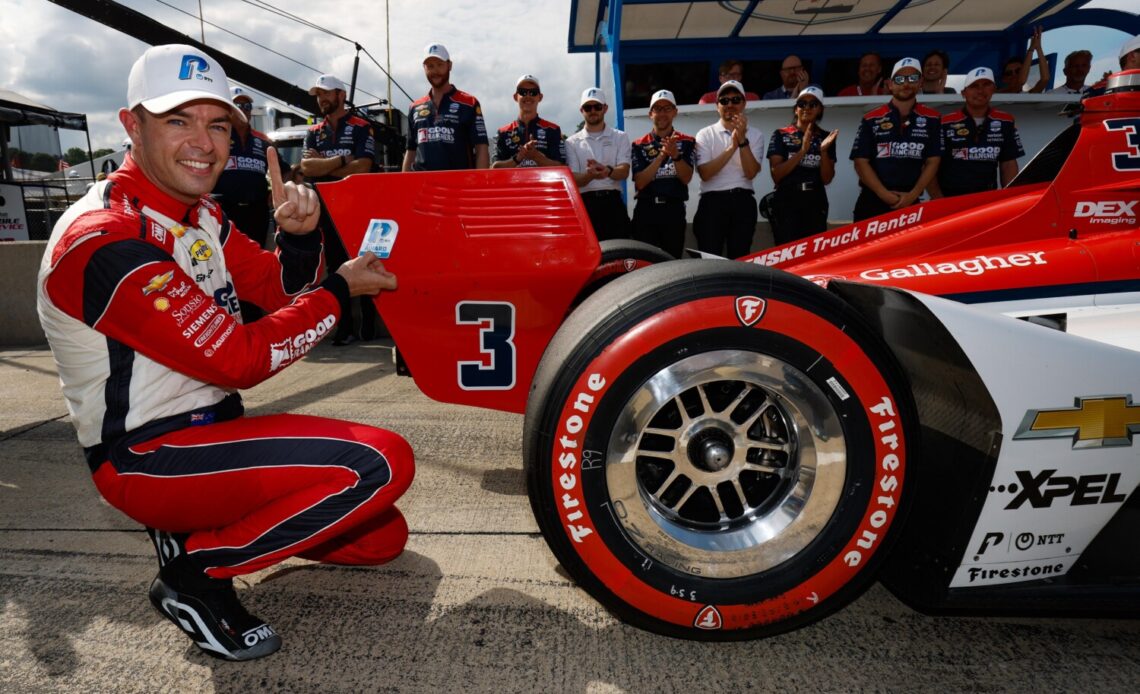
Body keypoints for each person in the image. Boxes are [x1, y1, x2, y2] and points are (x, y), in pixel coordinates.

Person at [36, 44, 413, 662]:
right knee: (377, 464)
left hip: (217, 436)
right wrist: (341, 291)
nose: (203, 143)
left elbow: (273, 288)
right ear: (132, 125)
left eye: (216, 124)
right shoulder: (101, 238)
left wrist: (299, 238)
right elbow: (239, 359)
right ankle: (195, 573)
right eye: (178, 120)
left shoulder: (201, 214)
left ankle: (195, 532)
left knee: (381, 539)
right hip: (147, 458)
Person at [300, 73, 378, 345]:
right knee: (336, 269)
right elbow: (307, 168)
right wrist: (344, 158)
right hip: (327, 210)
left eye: (326, 93)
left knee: (364, 261)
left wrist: (326, 164)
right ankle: (343, 328)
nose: (321, 99)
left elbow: (364, 167)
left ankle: (368, 326)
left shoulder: (361, 126)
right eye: (318, 95)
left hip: (358, 208)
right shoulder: (313, 132)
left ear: (341, 96)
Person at [212, 86, 279, 323]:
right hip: (224, 212)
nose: (244, 110)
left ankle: (251, 318)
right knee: (223, 266)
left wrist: (276, 195)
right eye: (238, 105)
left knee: (254, 265)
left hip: (256, 211)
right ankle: (228, 317)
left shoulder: (263, 141)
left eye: (247, 105)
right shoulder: (216, 136)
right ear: (229, 109)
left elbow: (285, 172)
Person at [849, 57, 942, 221]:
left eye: (912, 78)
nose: (906, 83)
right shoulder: (871, 118)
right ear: (890, 84)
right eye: (899, 79)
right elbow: (860, 162)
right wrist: (883, 194)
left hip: (911, 201)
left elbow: (933, 160)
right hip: (873, 201)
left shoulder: (932, 118)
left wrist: (912, 195)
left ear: (920, 82)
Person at [928, 67, 1025, 199]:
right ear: (963, 93)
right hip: (950, 199)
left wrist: (1011, 198)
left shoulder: (1006, 121)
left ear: (994, 89)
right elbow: (930, 165)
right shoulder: (945, 123)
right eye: (974, 86)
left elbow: (1008, 164)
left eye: (986, 85)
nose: (980, 91)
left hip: (986, 201)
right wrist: (938, 199)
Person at [694, 80, 764, 258]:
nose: (730, 105)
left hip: (743, 201)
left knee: (740, 259)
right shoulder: (705, 134)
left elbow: (750, 172)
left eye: (735, 100)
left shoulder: (756, 135)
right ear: (717, 106)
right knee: (709, 259)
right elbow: (705, 173)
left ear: (744, 103)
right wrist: (732, 147)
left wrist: (742, 140)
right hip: (712, 202)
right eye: (724, 101)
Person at [766, 86, 837, 244]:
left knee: (814, 253)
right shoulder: (781, 134)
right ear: (795, 109)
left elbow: (827, 179)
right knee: (786, 251)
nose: (806, 107)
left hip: (815, 199)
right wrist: (802, 151)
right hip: (787, 199)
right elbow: (776, 174)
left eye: (813, 104)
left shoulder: (827, 137)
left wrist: (824, 151)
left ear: (820, 110)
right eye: (802, 103)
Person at [402, 43, 489, 171]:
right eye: (430, 66)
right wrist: (405, 186)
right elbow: (410, 151)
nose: (435, 71)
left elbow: (481, 147)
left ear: (450, 65)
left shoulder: (469, 103)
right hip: (423, 186)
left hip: (459, 184)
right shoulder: (415, 107)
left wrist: (480, 183)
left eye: (440, 65)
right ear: (424, 68)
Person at [631, 89, 696, 259]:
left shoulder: (688, 141)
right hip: (646, 210)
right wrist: (661, 156)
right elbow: (640, 183)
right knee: (645, 264)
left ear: (675, 112)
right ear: (650, 114)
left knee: (672, 263)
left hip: (673, 210)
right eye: (657, 109)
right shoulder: (638, 144)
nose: (662, 114)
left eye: (667, 109)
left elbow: (686, 178)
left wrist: (675, 155)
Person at [564, 87, 631, 241]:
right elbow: (574, 179)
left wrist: (606, 170)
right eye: (588, 107)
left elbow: (624, 172)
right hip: (585, 205)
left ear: (605, 108)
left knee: (620, 254)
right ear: (582, 110)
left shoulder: (620, 137)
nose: (593, 111)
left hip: (613, 203)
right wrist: (590, 176)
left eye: (597, 106)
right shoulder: (571, 142)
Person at [492, 75, 566, 168]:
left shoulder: (553, 130)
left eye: (533, 92)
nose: (528, 96)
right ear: (515, 97)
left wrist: (536, 157)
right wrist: (518, 158)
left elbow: (562, 167)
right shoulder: (503, 132)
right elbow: (494, 168)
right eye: (523, 92)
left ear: (540, 97)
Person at [998, 26, 1050, 94]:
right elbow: (1021, 81)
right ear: (1004, 79)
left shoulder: (1027, 96)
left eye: (1018, 71)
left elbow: (1045, 79)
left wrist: (1038, 49)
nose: (1014, 75)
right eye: (1009, 73)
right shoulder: (995, 95)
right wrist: (1031, 49)